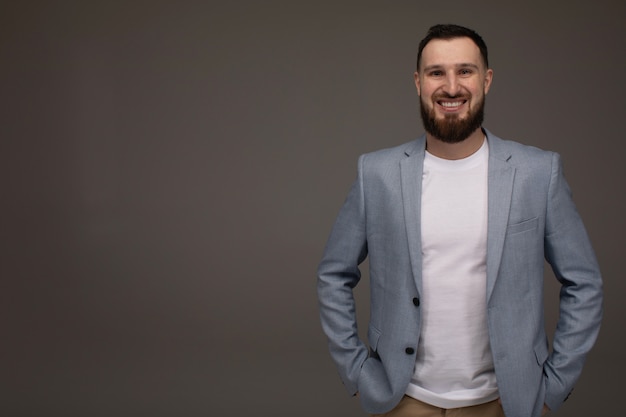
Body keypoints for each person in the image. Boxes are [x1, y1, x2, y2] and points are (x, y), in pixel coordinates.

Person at [317, 24, 603, 417]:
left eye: (465, 71)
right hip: (403, 401)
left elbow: (584, 284)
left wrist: (552, 387)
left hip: (506, 403)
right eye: (437, 72)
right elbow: (333, 274)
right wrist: (358, 372)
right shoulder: (376, 174)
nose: (451, 87)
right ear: (418, 82)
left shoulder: (538, 173)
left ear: (486, 80)